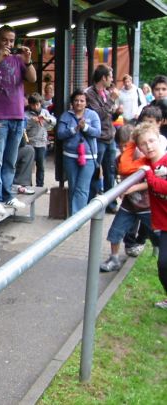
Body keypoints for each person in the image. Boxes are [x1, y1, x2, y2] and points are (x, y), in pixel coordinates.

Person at [0, 24, 36, 216]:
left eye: (11, 40)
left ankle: (7, 194)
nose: (8, 44)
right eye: (4, 40)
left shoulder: (19, 61)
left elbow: (33, 78)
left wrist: (28, 61)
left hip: (18, 117)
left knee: (10, 160)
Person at [119, 123, 167, 309]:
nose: (149, 146)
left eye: (151, 141)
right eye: (143, 144)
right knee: (163, 266)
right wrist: (132, 142)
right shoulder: (146, 163)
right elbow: (124, 167)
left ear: (159, 139)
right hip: (163, 224)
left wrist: (149, 176)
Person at [99, 124, 158, 272]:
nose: (124, 150)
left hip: (146, 206)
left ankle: (160, 256)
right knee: (115, 232)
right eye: (121, 146)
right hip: (129, 206)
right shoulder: (119, 160)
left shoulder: (144, 159)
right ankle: (114, 258)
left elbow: (152, 181)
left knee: (157, 235)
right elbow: (119, 177)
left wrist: (132, 187)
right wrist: (121, 187)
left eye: (127, 146)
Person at [57, 89, 101, 215]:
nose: (79, 103)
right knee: (73, 186)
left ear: (86, 102)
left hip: (88, 157)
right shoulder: (66, 115)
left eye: (82, 100)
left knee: (82, 188)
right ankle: (73, 215)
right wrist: (74, 129)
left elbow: (98, 132)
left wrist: (85, 128)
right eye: (76, 100)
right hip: (70, 156)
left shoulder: (92, 115)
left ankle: (77, 218)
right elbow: (60, 134)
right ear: (72, 102)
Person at [84, 64, 122, 213]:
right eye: (110, 76)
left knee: (110, 171)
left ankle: (110, 204)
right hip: (98, 139)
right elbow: (97, 116)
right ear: (103, 77)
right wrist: (112, 101)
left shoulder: (106, 93)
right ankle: (92, 204)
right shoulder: (89, 94)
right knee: (94, 170)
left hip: (110, 137)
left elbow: (108, 116)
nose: (112, 80)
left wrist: (116, 113)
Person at [25, 93, 56, 187]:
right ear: (30, 104)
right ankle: (28, 185)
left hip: (42, 143)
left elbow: (53, 122)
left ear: (40, 103)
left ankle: (40, 185)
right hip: (30, 144)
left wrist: (46, 119)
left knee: (41, 166)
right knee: (28, 167)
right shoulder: (26, 115)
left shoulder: (45, 112)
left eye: (37, 104)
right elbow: (23, 128)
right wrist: (31, 121)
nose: (35, 107)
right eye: (33, 105)